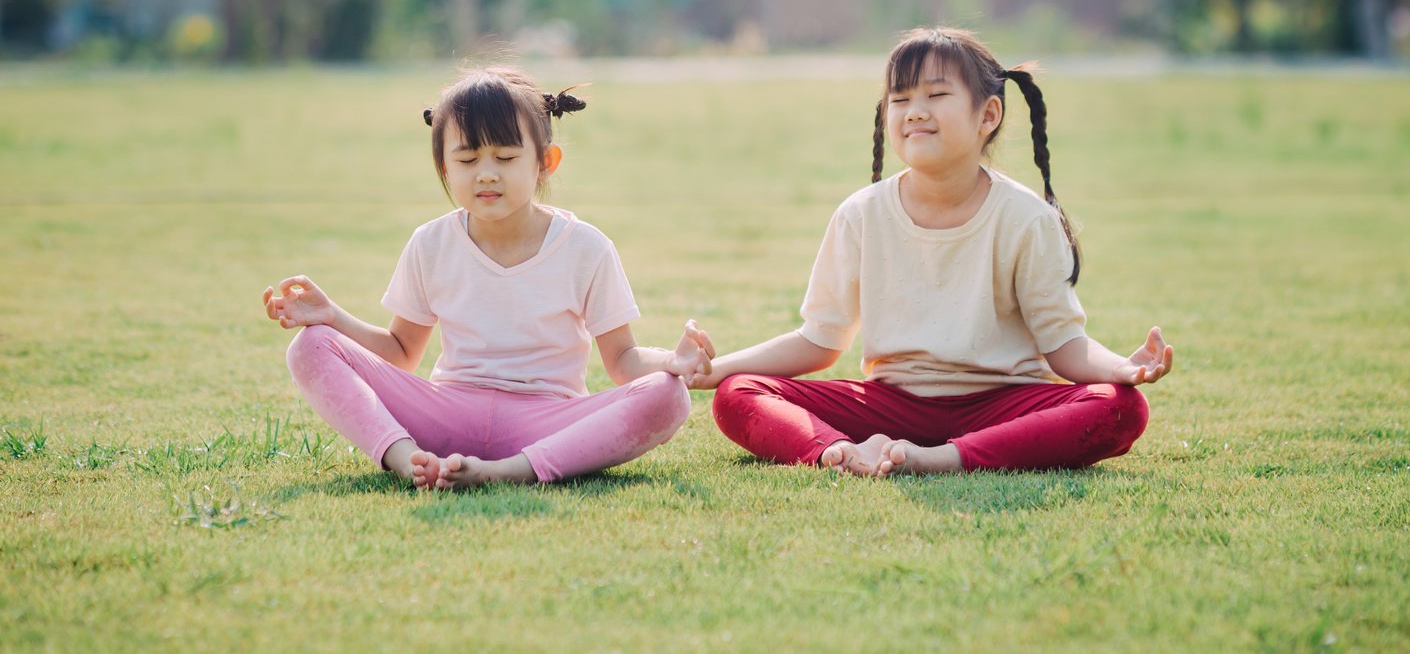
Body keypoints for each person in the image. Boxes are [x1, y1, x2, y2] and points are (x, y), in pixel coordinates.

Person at [691, 27, 1173, 477]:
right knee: (740, 394)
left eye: (936, 95)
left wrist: (1122, 369)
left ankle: (943, 459)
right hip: (890, 401)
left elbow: (1064, 346)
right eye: (900, 99)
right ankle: (836, 451)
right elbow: (820, 341)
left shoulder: (1025, 217)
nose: (915, 111)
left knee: (1123, 407)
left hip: (1002, 405)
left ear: (988, 115)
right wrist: (719, 371)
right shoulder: (861, 214)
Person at [263, 67, 714, 489]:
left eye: (505, 156)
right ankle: (407, 459)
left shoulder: (586, 247)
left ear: (545, 162)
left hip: (546, 423)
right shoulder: (430, 243)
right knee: (310, 345)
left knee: (668, 396)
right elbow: (401, 353)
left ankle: (512, 471)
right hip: (444, 416)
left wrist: (670, 362)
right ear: (444, 166)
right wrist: (332, 316)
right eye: (467, 159)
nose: (486, 174)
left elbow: (623, 362)